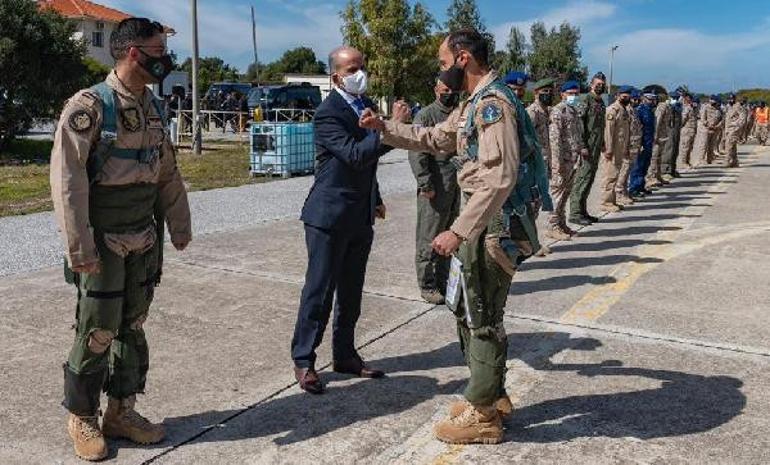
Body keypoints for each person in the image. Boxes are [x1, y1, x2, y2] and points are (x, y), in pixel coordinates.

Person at [360, 28, 552, 445]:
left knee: (481, 315)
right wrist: (385, 127)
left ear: (463, 58)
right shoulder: (472, 103)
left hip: (490, 226)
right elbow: (436, 138)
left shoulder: (492, 105)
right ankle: (490, 395)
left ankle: (483, 416)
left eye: (444, 62)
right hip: (480, 221)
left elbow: (500, 178)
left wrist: (457, 229)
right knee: (467, 308)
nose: (441, 71)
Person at [50, 18, 192, 461]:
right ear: (133, 53)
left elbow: (165, 169)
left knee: (132, 327)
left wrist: (179, 223)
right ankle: (82, 416)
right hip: (102, 240)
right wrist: (79, 247)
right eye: (157, 50)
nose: (165, 60)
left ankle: (121, 412)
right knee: (97, 329)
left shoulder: (153, 107)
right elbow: (67, 180)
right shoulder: (91, 105)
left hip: (143, 237)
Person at [291, 46, 389, 396]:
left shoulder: (366, 105)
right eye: (351, 68)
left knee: (352, 292)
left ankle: (345, 354)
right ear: (336, 77)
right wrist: (388, 132)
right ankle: (304, 360)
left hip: (359, 214)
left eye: (362, 66)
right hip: (328, 216)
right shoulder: (327, 113)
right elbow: (353, 154)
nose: (359, 73)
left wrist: (374, 198)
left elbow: (368, 166)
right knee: (319, 291)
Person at [408, 78, 461, 304]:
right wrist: (425, 183)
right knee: (429, 235)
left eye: (453, 89)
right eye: (445, 89)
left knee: (450, 233)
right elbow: (417, 151)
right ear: (436, 90)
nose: (449, 93)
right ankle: (427, 284)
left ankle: (444, 281)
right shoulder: (426, 116)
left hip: (455, 182)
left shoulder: (459, 114)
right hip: (435, 183)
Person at [545, 80, 585, 240]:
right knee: (558, 193)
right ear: (562, 94)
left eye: (576, 94)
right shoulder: (558, 111)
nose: (573, 96)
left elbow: (576, 135)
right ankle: (552, 226)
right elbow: (554, 140)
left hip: (573, 160)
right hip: (562, 161)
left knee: (566, 193)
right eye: (570, 94)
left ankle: (561, 223)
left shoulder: (573, 111)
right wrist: (557, 164)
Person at [569, 72, 606, 226]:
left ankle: (583, 211)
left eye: (603, 85)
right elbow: (579, 125)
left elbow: (599, 125)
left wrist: (603, 142)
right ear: (591, 84)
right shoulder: (585, 99)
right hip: (586, 148)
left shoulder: (601, 102)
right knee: (581, 179)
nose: (600, 87)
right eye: (598, 84)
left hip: (596, 147)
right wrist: (582, 146)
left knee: (589, 180)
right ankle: (575, 213)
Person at [600, 85, 632, 212]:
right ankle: (605, 202)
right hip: (612, 148)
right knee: (610, 175)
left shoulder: (624, 110)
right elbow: (609, 131)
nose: (627, 98)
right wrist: (608, 149)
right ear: (617, 96)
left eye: (628, 96)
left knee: (616, 174)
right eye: (624, 96)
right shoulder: (613, 110)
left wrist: (626, 148)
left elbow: (626, 131)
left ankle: (612, 200)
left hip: (620, 147)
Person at [628, 92, 657, 198]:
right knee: (638, 166)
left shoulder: (650, 111)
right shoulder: (640, 110)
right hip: (641, 142)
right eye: (650, 99)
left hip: (649, 141)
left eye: (653, 99)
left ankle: (641, 186)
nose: (652, 102)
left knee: (645, 165)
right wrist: (639, 143)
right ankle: (633, 188)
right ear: (644, 99)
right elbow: (637, 129)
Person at [526, 78, 556, 178]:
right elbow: (526, 137)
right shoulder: (532, 112)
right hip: (536, 160)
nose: (548, 94)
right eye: (545, 91)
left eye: (550, 91)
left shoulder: (549, 111)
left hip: (548, 158)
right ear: (536, 93)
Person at [619, 88, 643, 204]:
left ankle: (625, 192)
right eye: (634, 99)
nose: (636, 101)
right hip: (628, 145)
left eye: (638, 99)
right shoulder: (626, 111)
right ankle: (620, 193)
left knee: (628, 170)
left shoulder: (634, 111)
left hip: (635, 145)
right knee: (624, 170)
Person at [646, 91, 672, 188]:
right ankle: (651, 177)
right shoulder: (661, 107)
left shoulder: (665, 106)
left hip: (662, 135)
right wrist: (655, 135)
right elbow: (658, 121)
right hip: (658, 135)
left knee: (659, 157)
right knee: (654, 157)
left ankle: (658, 175)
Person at [693, 95, 723, 165]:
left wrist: (717, 126)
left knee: (711, 145)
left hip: (715, 129)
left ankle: (710, 159)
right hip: (706, 129)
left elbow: (722, 119)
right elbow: (703, 118)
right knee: (704, 145)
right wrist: (708, 124)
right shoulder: (706, 107)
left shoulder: (719, 109)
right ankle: (701, 159)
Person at [661, 89, 683, 180]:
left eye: (677, 98)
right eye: (674, 98)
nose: (676, 100)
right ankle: (665, 170)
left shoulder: (678, 107)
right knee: (668, 149)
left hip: (676, 130)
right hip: (669, 130)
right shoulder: (666, 106)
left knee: (675, 149)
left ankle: (672, 169)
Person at [723, 95, 747, 168]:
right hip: (728, 129)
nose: (730, 100)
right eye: (729, 99)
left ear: (735, 99)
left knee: (729, 146)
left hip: (733, 129)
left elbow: (743, 118)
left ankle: (727, 162)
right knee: (732, 146)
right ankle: (735, 162)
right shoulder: (729, 107)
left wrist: (736, 126)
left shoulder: (738, 106)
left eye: (732, 99)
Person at [678, 92, 698, 170]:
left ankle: (687, 161)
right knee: (685, 147)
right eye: (689, 98)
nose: (690, 99)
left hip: (692, 130)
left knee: (690, 147)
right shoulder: (686, 108)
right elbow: (683, 119)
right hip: (687, 130)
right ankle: (683, 163)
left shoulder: (692, 107)